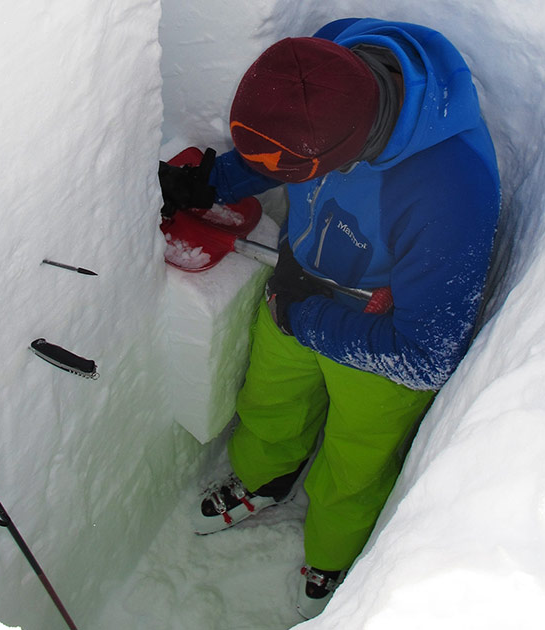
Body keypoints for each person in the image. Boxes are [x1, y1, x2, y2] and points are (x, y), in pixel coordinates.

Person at [159, 17, 500, 618]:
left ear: (345, 154)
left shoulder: (450, 190)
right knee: (268, 399)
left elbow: (425, 358)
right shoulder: (325, 61)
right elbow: (283, 151)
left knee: (357, 457)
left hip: (381, 336)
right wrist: (215, 181)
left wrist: (305, 317)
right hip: (300, 285)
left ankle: (335, 551)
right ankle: (264, 478)